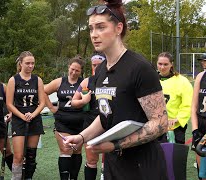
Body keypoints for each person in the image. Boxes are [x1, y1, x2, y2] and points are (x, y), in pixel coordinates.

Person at [64, 1, 169, 179]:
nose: (94, 35)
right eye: (91, 29)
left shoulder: (139, 67)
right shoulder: (101, 70)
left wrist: (116, 144)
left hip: (143, 166)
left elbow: (160, 123)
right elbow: (105, 116)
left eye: (100, 27)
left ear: (118, 28)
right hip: (114, 164)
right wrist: (82, 137)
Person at [6, 51, 45, 180]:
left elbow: (42, 102)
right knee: (18, 156)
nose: (30, 66)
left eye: (32, 63)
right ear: (21, 63)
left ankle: (28, 177)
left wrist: (32, 115)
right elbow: (9, 104)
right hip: (19, 120)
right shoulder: (13, 80)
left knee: (31, 155)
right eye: (27, 63)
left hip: (34, 119)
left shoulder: (37, 80)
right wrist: (22, 116)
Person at [44, 56, 85, 180]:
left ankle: (73, 178)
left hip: (80, 123)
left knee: (77, 151)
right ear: (68, 67)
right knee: (66, 150)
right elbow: (43, 91)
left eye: (77, 71)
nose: (73, 72)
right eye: (72, 69)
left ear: (81, 71)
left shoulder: (84, 83)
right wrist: (51, 107)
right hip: (63, 123)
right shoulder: (60, 82)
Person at [71, 53, 105, 180]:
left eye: (99, 65)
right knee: (91, 160)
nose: (96, 68)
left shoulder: (113, 79)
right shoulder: (87, 81)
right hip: (91, 124)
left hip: (109, 123)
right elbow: (74, 102)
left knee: (111, 159)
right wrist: (83, 101)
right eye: (93, 65)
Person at [156, 52, 193, 144]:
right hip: (155, 126)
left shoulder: (182, 82)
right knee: (155, 156)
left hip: (174, 127)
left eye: (165, 64)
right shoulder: (151, 79)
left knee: (173, 157)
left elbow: (188, 104)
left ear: (171, 64)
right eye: (160, 64)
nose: (162, 67)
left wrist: (178, 118)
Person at [191, 53, 206, 180]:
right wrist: (195, 130)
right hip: (201, 127)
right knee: (202, 173)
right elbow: (194, 107)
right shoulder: (201, 77)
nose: (204, 64)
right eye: (203, 61)